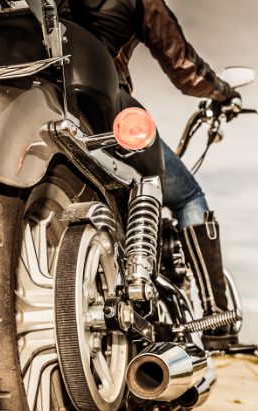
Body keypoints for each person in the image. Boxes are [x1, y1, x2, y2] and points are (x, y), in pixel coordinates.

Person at [61, 0, 238, 338]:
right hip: (101, 106)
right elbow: (185, 68)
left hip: (19, 93)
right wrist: (223, 93)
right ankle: (218, 315)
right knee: (188, 196)